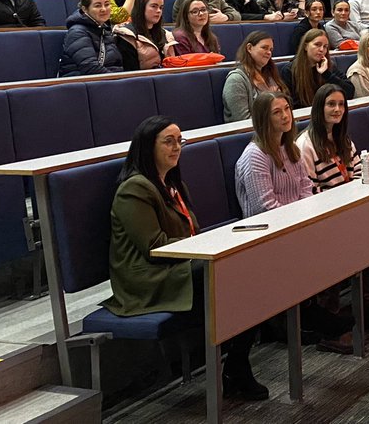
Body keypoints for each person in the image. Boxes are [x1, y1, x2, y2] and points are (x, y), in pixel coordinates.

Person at [106, 116, 266, 401]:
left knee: (246, 271)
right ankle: (236, 366)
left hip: (179, 265)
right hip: (146, 279)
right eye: (168, 141)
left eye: (180, 141)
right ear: (147, 147)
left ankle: (236, 364)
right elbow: (153, 247)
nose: (176, 147)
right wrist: (205, 245)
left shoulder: (173, 185)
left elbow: (191, 233)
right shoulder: (134, 189)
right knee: (232, 277)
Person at [236, 92, 352, 354]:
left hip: (294, 224)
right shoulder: (255, 156)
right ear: (264, 119)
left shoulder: (290, 149)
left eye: (287, 109)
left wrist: (304, 219)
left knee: (343, 235)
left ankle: (315, 311)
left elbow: (305, 188)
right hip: (266, 233)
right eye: (277, 112)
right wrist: (298, 223)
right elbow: (263, 207)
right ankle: (310, 313)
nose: (286, 115)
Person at [296, 83, 369, 334]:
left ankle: (367, 309)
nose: (337, 109)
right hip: (322, 215)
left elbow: (356, 171)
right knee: (337, 249)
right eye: (331, 104)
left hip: (347, 210)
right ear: (319, 108)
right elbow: (308, 189)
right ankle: (329, 324)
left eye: (341, 105)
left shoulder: (342, 139)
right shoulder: (306, 144)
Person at [279, 28, 354, 108]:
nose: (322, 50)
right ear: (305, 46)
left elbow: (349, 92)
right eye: (317, 45)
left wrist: (326, 74)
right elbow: (293, 104)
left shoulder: (329, 67)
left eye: (325, 47)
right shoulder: (289, 70)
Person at [222, 31, 285, 121]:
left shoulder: (269, 75)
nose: (269, 53)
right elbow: (243, 120)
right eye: (264, 48)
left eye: (271, 50)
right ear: (249, 48)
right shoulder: (236, 80)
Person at [59, 0, 123, 76]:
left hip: (107, 80)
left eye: (107, 4)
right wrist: (118, 81)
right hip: (81, 82)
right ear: (85, 9)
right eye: (97, 6)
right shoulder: (77, 32)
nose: (104, 9)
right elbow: (90, 68)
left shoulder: (104, 29)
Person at [114, 0, 174, 71]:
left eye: (161, 7)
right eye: (154, 6)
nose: (159, 11)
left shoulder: (166, 34)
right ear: (141, 7)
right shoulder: (127, 35)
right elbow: (130, 72)